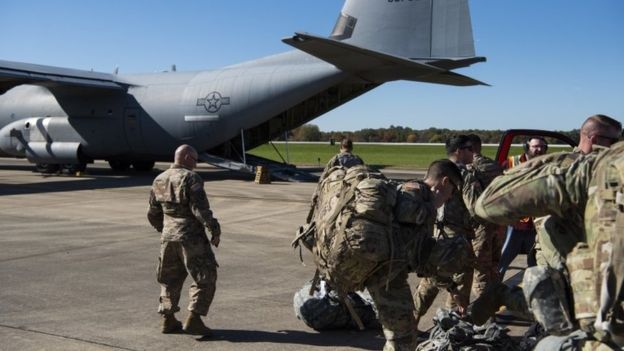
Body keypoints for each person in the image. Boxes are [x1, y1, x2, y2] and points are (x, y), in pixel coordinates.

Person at [474, 140, 624, 350]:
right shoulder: (593, 170)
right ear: (594, 140)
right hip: (541, 239)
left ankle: (504, 295)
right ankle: (502, 294)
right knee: (560, 309)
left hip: (581, 268)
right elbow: (488, 203)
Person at [147, 144, 221, 335]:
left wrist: (164, 229)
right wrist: (214, 228)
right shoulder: (190, 178)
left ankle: (168, 319)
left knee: (169, 279)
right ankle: (194, 319)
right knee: (206, 276)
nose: (196, 164)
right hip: (191, 238)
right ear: (187, 158)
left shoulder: (159, 179)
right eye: (195, 160)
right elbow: (200, 209)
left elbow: (153, 212)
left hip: (168, 237)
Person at [412, 135, 479, 332]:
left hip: (437, 231)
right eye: (469, 148)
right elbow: (474, 207)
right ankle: (452, 328)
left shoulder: (437, 168)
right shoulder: (465, 174)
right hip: (457, 236)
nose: (473, 152)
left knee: (430, 281)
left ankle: (412, 322)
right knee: (460, 281)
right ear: (459, 150)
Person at [498, 137, 548, 279]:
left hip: (536, 223)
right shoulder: (511, 162)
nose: (539, 149)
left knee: (536, 261)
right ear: (527, 147)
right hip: (514, 222)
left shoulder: (546, 163)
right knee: (502, 260)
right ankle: (492, 291)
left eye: (542, 147)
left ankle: (535, 290)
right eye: (535, 146)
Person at [466, 134, 505, 297]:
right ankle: (493, 305)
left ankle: (484, 316)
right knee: (494, 268)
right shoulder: (494, 166)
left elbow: (472, 206)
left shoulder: (470, 169)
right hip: (498, 223)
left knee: (480, 271)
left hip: (480, 228)